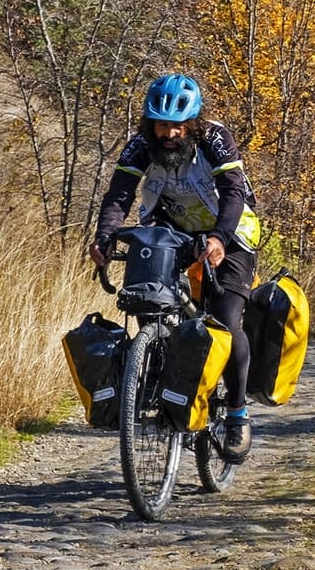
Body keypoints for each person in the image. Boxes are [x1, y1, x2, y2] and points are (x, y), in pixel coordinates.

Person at [90, 73, 262, 463]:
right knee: (148, 301)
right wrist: (105, 236)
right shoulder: (139, 146)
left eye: (177, 126)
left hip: (230, 230)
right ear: (149, 123)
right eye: (161, 125)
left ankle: (237, 413)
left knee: (224, 321)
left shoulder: (216, 138)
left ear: (193, 123)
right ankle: (153, 374)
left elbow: (234, 192)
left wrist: (219, 237)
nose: (169, 134)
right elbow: (118, 193)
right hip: (173, 230)